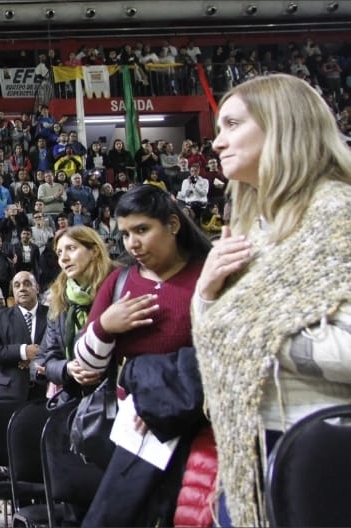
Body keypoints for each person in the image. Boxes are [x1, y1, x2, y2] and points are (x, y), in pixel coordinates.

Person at [192, 73, 351, 527]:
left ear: (282, 125)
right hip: (251, 454)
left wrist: (252, 335)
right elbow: (219, 333)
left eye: (232, 125)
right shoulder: (251, 229)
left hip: (322, 457)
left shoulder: (338, 214)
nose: (217, 142)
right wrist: (206, 293)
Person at [73, 184, 212, 527]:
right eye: (124, 234)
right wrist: (106, 326)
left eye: (142, 230)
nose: (132, 243)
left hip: (202, 429)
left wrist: (166, 403)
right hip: (132, 433)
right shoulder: (118, 283)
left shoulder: (209, 275)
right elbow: (86, 365)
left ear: (173, 225)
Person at [34, 226, 114, 400]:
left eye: (71, 248)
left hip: (117, 395)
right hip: (76, 401)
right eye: (59, 252)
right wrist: (68, 368)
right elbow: (51, 356)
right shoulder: (59, 298)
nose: (63, 258)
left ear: (93, 251)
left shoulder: (119, 286)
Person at [0, 271, 48, 401]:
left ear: (37, 288)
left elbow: (60, 346)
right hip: (11, 391)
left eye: (27, 283)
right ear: (13, 291)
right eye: (17, 285)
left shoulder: (53, 314)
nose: (22, 288)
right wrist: (23, 351)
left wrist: (35, 358)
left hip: (46, 390)